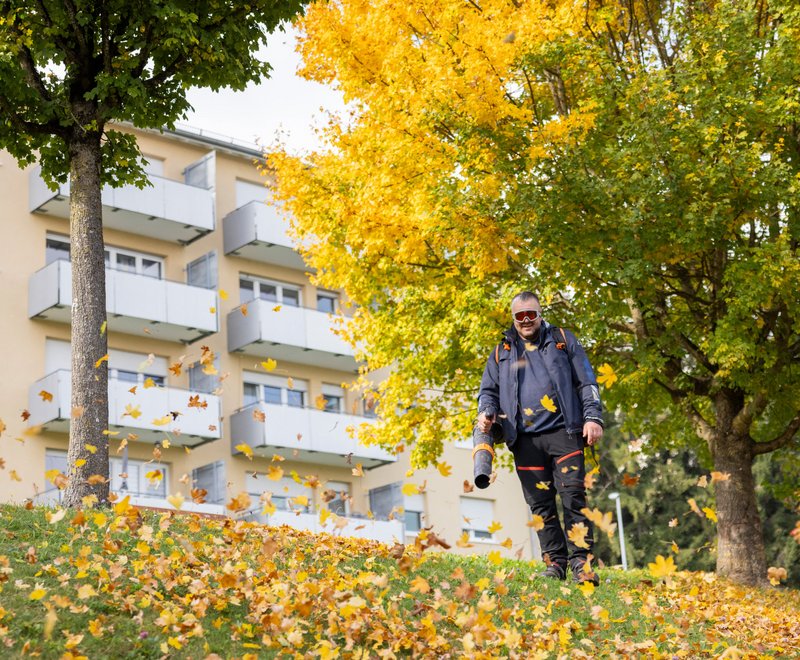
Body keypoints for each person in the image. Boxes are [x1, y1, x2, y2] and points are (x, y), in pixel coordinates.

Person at [475, 291, 604, 584]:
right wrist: (486, 411)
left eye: (530, 314)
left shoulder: (562, 340)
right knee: (540, 505)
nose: (526, 320)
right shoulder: (501, 352)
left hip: (564, 432)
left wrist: (593, 417)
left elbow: (587, 381)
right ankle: (554, 563)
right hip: (524, 441)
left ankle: (581, 563)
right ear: (513, 318)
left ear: (540, 314)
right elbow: (488, 391)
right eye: (519, 316)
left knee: (573, 497)